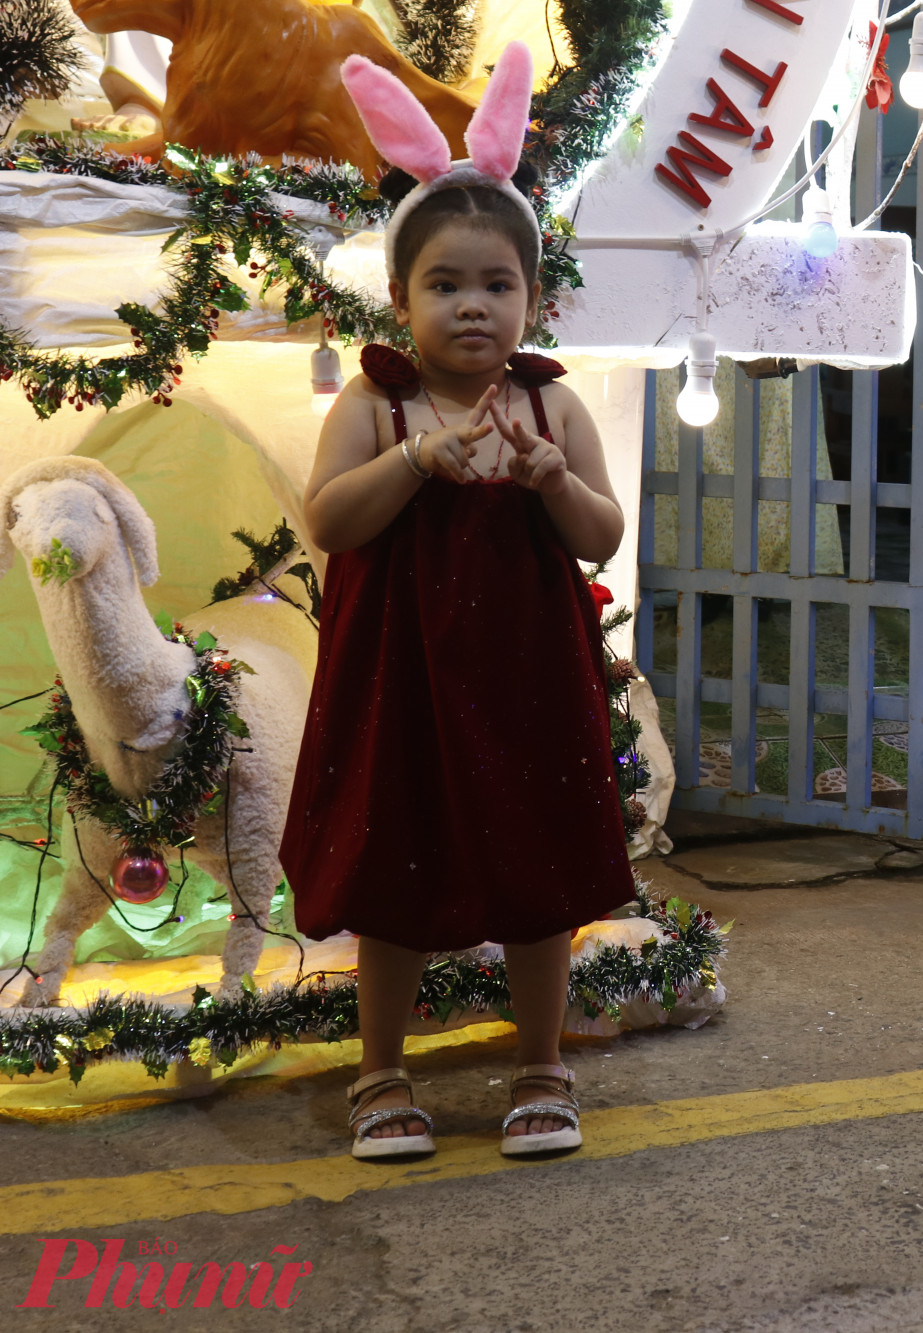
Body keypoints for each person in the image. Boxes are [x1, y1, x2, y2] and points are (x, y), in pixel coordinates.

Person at [283, 45, 631, 1161]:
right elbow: (328, 523)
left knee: (540, 872)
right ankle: (380, 1073)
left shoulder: (548, 408)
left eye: (496, 285)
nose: (472, 306)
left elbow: (599, 537)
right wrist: (418, 466)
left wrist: (549, 481)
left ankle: (541, 1061)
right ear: (400, 295)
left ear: (534, 296)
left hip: (528, 685)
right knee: (393, 869)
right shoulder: (380, 407)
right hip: (402, 688)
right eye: (445, 284)